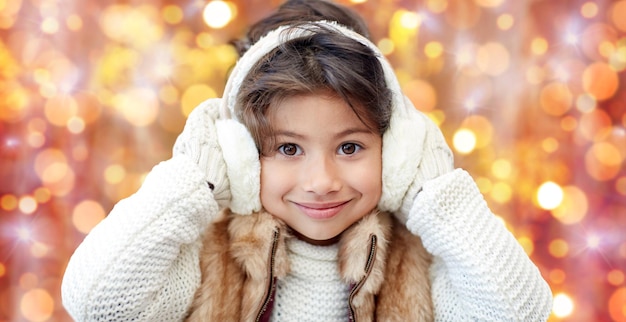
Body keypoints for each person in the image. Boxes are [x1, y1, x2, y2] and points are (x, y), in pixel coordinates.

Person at [61, 0, 553, 321]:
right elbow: (98, 304)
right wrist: (192, 181)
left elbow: (519, 312)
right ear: (240, 158)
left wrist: (436, 194)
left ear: (398, 149)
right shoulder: (204, 252)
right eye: (288, 149)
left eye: (350, 147)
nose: (321, 182)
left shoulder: (424, 257)